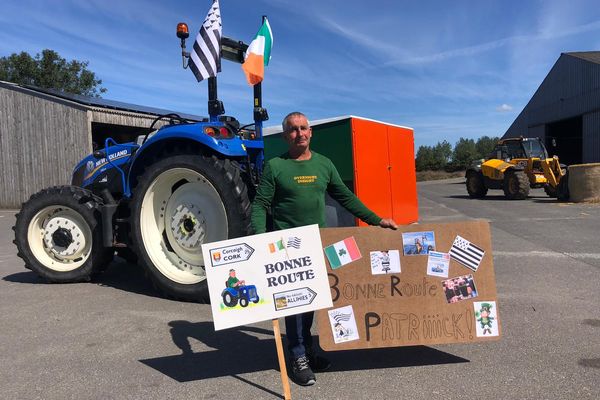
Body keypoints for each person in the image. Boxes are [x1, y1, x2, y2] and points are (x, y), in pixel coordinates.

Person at [251, 111, 398, 386]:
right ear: (285, 136)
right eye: (293, 130)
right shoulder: (275, 166)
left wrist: (377, 220)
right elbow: (260, 204)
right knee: (294, 306)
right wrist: (260, 240)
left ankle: (306, 350)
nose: (299, 133)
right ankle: (297, 357)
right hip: (288, 250)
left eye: (303, 128)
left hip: (317, 244)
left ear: (311, 132)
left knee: (311, 303)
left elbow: (345, 197)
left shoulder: (324, 165)